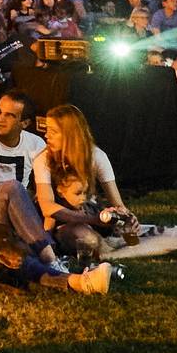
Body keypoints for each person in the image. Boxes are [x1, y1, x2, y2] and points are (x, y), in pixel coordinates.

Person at [32, 106, 133, 258]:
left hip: (93, 216)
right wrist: (94, 220)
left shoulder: (96, 157)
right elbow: (48, 208)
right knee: (86, 236)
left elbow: (118, 205)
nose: (46, 135)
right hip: (63, 225)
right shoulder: (44, 159)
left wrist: (128, 219)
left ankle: (121, 248)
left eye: (53, 132)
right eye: (47, 130)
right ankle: (117, 251)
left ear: (70, 134)